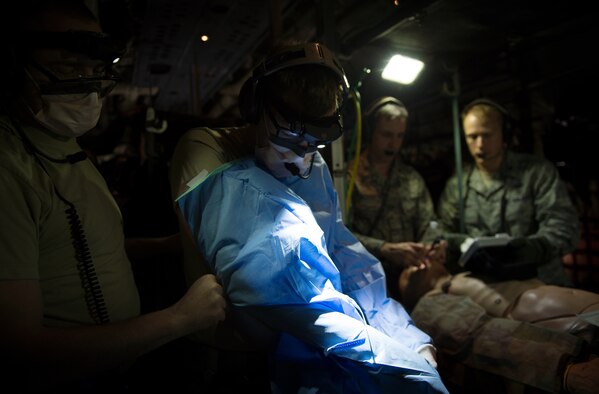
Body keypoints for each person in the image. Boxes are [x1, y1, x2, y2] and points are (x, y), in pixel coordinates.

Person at [173, 41, 449, 393]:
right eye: (291, 137)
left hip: (309, 351)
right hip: (232, 357)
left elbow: (345, 258)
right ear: (255, 106)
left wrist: (407, 336)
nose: (301, 158)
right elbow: (289, 295)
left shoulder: (309, 165)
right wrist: (398, 359)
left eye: (313, 144)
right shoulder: (209, 154)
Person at [0, 1, 226, 391]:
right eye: (70, 68)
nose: (87, 83)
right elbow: (21, 352)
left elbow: (76, 246)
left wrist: (165, 245)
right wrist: (181, 319)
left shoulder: (67, 149)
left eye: (93, 69)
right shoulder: (9, 170)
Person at [436, 98, 581, 286]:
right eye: (472, 137)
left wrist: (534, 248)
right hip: (485, 285)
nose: (479, 144)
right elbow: (441, 233)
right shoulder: (458, 185)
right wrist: (461, 244)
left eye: (487, 135)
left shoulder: (537, 173)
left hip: (540, 280)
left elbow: (564, 227)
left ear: (505, 135)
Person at [397, 261, 599, 394]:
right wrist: (564, 369)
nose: (417, 263)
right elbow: (480, 335)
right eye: (407, 272)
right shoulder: (429, 304)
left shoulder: (480, 272)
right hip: (583, 352)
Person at [346, 96, 446, 299]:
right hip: (367, 285)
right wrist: (384, 248)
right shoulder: (348, 178)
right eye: (386, 135)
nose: (394, 143)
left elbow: (431, 223)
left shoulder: (411, 178)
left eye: (400, 136)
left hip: (412, 282)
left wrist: (433, 245)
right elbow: (339, 234)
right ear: (370, 132)